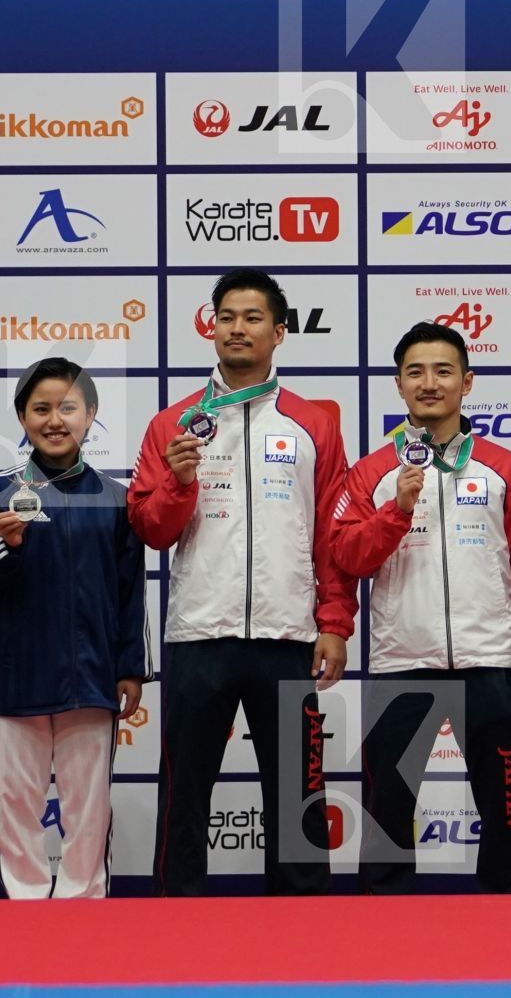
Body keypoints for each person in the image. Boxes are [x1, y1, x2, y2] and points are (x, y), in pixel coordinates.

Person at [129, 268, 355, 896]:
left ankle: (303, 928)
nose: (237, 328)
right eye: (226, 316)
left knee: (299, 796)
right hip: (200, 633)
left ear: (280, 332)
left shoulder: (314, 424)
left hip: (287, 634)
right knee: (184, 793)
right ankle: (175, 921)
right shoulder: (173, 423)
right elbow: (151, 528)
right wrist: (176, 482)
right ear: (212, 327)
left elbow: (330, 537)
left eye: (253, 317)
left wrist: (334, 623)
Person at [331, 321, 511, 894]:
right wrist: (396, 511)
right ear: (398, 386)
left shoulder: (504, 467)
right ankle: (384, 923)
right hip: (402, 658)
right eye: (415, 372)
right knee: (388, 810)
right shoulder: (373, 472)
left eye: (443, 370)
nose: (429, 383)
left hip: (488, 658)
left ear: (467, 381)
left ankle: (510, 911)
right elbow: (346, 556)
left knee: (506, 803)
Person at [0, 357, 148, 899]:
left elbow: (130, 591)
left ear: (91, 414)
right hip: (17, 674)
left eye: (67, 407)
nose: (54, 419)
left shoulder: (115, 498)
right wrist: (8, 545)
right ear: (22, 417)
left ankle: (82, 902)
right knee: (15, 804)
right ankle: (24, 902)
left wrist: (130, 667)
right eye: (40, 408)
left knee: (88, 804)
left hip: (91, 678)